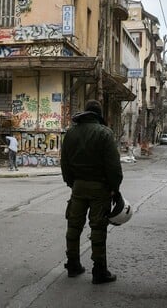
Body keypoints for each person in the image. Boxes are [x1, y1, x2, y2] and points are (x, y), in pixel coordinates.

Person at [61, 100, 123, 284]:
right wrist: (115, 188)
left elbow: (64, 163)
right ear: (98, 114)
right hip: (100, 188)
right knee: (98, 228)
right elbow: (113, 166)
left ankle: (72, 264)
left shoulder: (71, 132)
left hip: (78, 186)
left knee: (73, 226)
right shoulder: (104, 133)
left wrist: (72, 183)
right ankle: (99, 270)